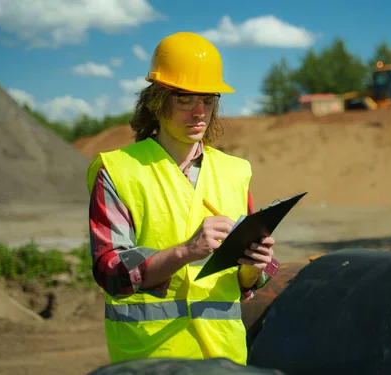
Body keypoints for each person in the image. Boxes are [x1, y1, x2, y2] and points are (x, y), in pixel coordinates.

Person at [85, 32, 279, 366]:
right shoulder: (119, 170)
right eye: (185, 99)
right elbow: (112, 271)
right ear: (157, 100)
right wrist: (186, 251)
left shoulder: (235, 172)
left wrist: (253, 268)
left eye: (208, 99)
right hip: (152, 359)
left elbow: (243, 286)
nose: (199, 112)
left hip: (225, 359)